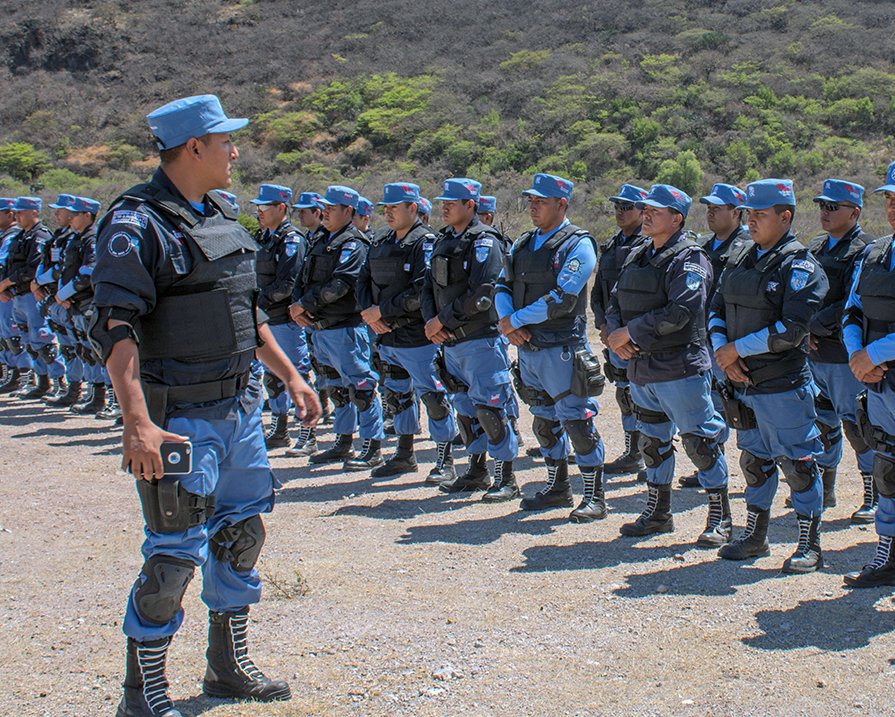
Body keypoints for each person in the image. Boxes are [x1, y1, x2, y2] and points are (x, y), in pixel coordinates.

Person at [87, 94, 319, 717]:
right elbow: (114, 328)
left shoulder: (219, 214)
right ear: (193, 147)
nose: (235, 152)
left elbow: (245, 311)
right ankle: (143, 693)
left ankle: (227, 668)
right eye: (225, 142)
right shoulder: (136, 224)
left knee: (243, 533)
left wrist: (292, 377)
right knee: (172, 556)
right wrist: (137, 423)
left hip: (239, 408)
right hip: (180, 419)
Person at [711, 178, 828, 573]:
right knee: (754, 461)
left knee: (798, 465)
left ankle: (809, 544)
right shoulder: (740, 256)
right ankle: (755, 536)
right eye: (749, 214)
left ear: (785, 216)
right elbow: (715, 307)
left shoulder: (800, 266)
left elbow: (791, 331)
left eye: (760, 214)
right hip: (741, 383)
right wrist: (723, 353)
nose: (752, 221)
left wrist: (735, 351)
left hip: (781, 385)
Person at [606, 184, 731, 547]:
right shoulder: (638, 253)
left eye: (654, 211)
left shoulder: (690, 258)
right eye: (644, 210)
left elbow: (682, 310)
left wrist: (630, 333)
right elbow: (615, 299)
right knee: (653, 442)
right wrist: (615, 334)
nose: (645, 215)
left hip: (680, 369)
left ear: (676, 219)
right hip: (641, 369)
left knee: (700, 443)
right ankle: (658, 513)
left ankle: (720, 517)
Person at [496, 173, 606, 520]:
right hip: (528, 349)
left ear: (562, 204)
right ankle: (558, 487)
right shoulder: (522, 243)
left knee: (577, 423)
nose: (533, 207)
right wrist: (507, 321)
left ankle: (595, 496)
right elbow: (502, 285)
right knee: (543, 422)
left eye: (540, 201)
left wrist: (515, 321)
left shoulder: (578, 244)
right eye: (530, 200)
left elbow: (562, 297)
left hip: (561, 348)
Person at [421, 178, 519, 498]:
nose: (445, 207)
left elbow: (483, 295)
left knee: (491, 409)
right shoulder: (444, 240)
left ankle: (506, 478)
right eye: (443, 203)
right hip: (451, 342)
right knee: (464, 410)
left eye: (452, 203)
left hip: (479, 339)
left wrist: (441, 321)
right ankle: (477, 471)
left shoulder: (485, 241)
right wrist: (432, 322)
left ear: (471, 205)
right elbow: (428, 287)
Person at [358, 182, 459, 482]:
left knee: (434, 397)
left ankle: (445, 460)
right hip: (387, 336)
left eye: (394, 207)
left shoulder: (424, 242)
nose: (388, 213)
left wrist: (381, 311)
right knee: (397, 396)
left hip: (417, 337)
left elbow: (420, 292)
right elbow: (362, 280)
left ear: (412, 208)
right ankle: (404, 455)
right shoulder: (381, 239)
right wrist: (370, 315)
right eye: (385, 208)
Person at [291, 185, 386, 470]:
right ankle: (343, 442)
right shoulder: (321, 239)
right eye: (324, 208)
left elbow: (341, 284)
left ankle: (372, 447)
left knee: (362, 388)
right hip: (320, 328)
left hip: (344, 327)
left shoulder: (352, 243)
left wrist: (304, 304)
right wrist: (297, 304)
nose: (325, 213)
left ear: (348, 211)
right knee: (336, 389)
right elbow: (302, 277)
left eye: (331, 209)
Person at [804, 180, 874, 519]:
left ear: (854, 212)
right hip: (814, 353)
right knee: (823, 422)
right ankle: (825, 489)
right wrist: (801, 329)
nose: (825, 211)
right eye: (822, 205)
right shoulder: (816, 246)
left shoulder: (865, 249)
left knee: (858, 425)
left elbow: (851, 301)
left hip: (843, 355)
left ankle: (874, 494)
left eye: (833, 207)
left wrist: (811, 327)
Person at [675, 183, 752, 487]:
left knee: (743, 407)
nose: (710, 213)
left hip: (731, 340)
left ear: (736, 213)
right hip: (702, 339)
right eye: (708, 207)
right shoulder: (703, 245)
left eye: (717, 208)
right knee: (711, 404)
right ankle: (711, 465)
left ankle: (758, 472)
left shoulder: (747, 245)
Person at [842, 161, 895, 587]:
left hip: (878, 368)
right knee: (888, 468)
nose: (893, 207)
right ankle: (887, 555)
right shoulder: (875, 252)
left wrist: (871, 354)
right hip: (879, 384)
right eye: (890, 199)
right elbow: (852, 310)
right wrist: (857, 355)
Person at [591, 184, 649, 479]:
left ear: (643, 211)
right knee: (625, 395)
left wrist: (625, 333)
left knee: (647, 399)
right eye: (617, 206)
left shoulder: (648, 243)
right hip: (613, 334)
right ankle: (632, 453)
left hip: (636, 336)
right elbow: (599, 291)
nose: (620, 211)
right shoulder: (612, 244)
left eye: (627, 207)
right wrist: (604, 326)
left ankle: (651, 456)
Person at [248, 184, 310, 451]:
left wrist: (254, 304)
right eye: (257, 207)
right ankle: (280, 429)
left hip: (284, 320)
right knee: (272, 379)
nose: (259, 212)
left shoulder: (291, 239)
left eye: (264, 207)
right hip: (266, 319)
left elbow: (287, 284)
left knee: (298, 374)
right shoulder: (264, 237)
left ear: (281, 207)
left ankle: (308, 433)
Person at [0, 196, 66, 399]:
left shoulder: (40, 236)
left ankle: (61, 384)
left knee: (43, 340)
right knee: (29, 342)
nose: (17, 216)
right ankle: (41, 383)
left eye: (21, 212)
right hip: (18, 295)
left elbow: (32, 269)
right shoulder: (21, 236)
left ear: (34, 212)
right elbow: (10, 265)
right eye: (16, 212)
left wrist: (5, 283)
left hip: (33, 295)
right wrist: (5, 288)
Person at [33, 194, 78, 402]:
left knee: (80, 349)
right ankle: (71, 389)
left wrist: (39, 282)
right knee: (66, 347)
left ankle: (86, 392)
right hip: (54, 298)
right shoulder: (58, 236)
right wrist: (39, 284)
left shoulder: (75, 238)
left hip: (69, 299)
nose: (56, 214)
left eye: (61, 211)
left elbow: (63, 269)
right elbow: (48, 264)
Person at [0, 197, 29, 394]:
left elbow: (3, 265)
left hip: (10, 293)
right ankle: (10, 373)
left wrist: (3, 287)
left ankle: (21, 375)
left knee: (14, 335)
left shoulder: (12, 237)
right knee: (5, 336)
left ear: (8, 215)